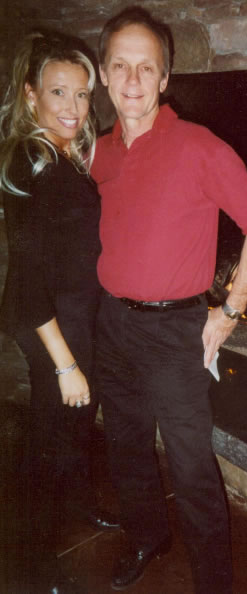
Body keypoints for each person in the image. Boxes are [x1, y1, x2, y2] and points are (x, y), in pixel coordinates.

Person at [92, 7, 247, 593]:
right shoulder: (99, 152)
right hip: (111, 322)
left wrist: (230, 312)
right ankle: (147, 536)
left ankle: (212, 583)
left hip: (174, 333)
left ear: (165, 78)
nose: (132, 79)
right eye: (120, 65)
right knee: (125, 443)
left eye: (146, 67)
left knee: (192, 466)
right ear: (103, 73)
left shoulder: (199, 146)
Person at [0, 31, 119, 594]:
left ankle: (75, 502)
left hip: (72, 313)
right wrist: (65, 364)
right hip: (48, 321)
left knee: (72, 424)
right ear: (31, 95)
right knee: (48, 438)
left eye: (82, 93)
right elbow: (26, 278)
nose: (73, 107)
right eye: (58, 92)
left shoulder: (62, 153)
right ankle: (30, 565)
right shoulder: (33, 159)